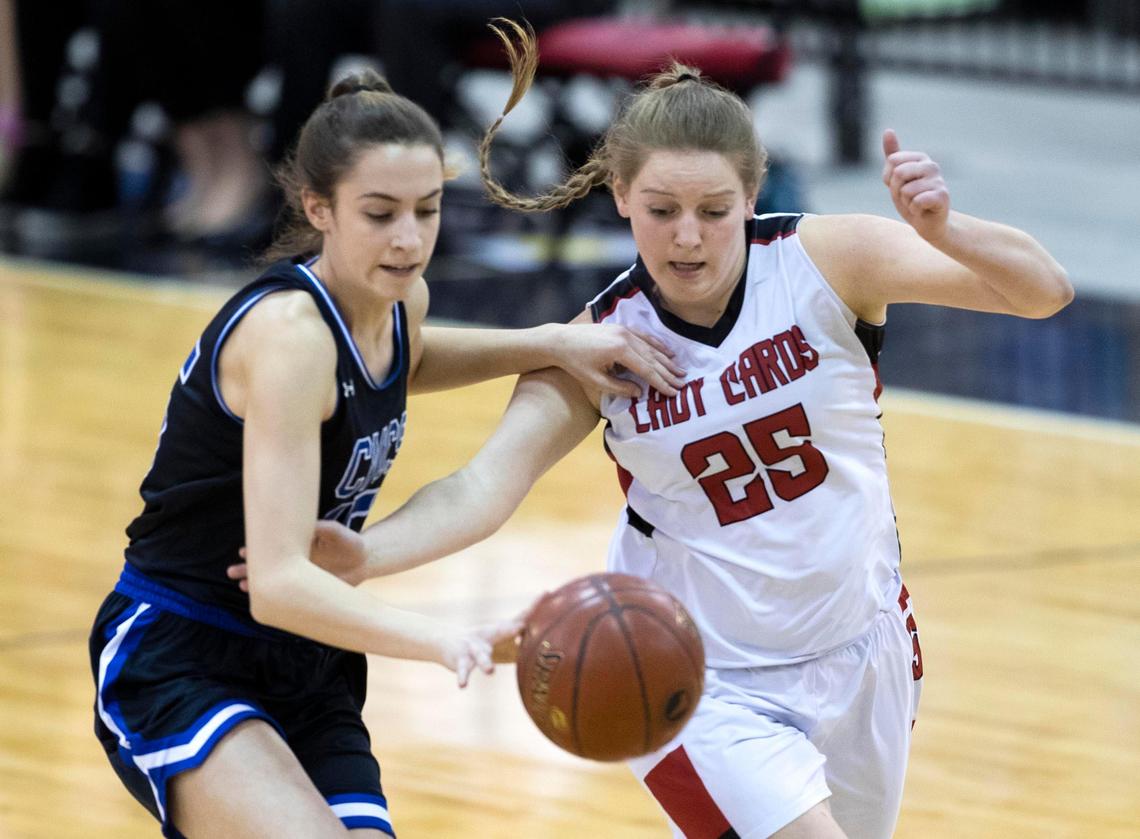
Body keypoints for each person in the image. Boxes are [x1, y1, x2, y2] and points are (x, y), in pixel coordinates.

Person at [231, 20, 1075, 839]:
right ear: (621, 196)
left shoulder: (830, 260)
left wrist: (946, 231)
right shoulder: (601, 343)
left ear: (751, 195)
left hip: (865, 642)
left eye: (714, 209)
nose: (688, 235)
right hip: (698, 676)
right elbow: (484, 486)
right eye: (661, 208)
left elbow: (1043, 291)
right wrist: (370, 555)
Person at [87, 68, 686, 839]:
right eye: (380, 214)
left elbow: (406, 357)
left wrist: (550, 343)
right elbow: (275, 583)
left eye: (427, 210)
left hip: (309, 658)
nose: (409, 238)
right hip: (184, 647)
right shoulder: (291, 340)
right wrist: (443, 638)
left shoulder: (399, 300)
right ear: (318, 209)